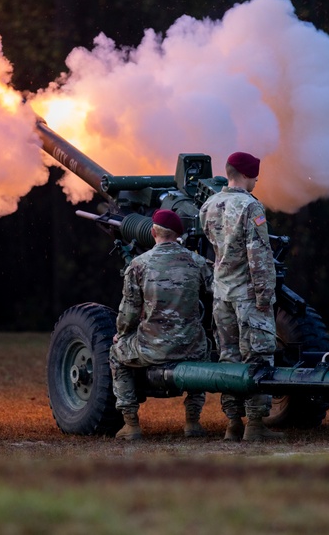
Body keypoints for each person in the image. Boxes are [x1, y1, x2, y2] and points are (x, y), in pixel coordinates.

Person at [199, 152, 282, 442]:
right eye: (255, 176)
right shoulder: (250, 206)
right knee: (258, 357)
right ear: (246, 175)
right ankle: (256, 424)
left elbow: (212, 245)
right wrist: (264, 294)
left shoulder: (208, 205)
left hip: (222, 295)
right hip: (249, 296)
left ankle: (233, 423)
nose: (257, 180)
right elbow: (258, 254)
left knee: (229, 358)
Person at [109, 209, 212, 440]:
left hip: (151, 348)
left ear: (153, 231)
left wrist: (122, 334)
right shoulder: (197, 262)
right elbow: (217, 293)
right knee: (203, 350)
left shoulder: (138, 264)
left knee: (116, 354)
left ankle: (131, 424)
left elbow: (129, 312)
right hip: (191, 347)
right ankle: (192, 422)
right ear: (178, 234)